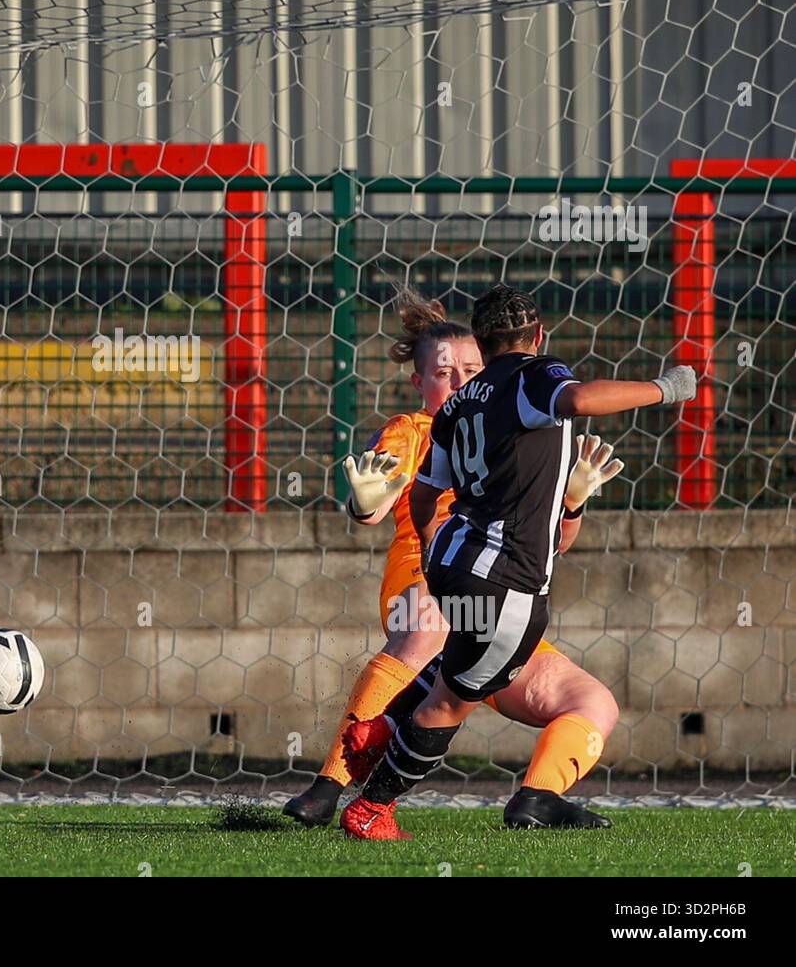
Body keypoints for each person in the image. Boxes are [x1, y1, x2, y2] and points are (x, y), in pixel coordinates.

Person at [340, 283, 695, 840]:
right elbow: (577, 400)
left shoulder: (456, 407)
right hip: (506, 579)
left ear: (480, 345)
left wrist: (438, 552)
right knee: (453, 703)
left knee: (459, 667)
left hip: (455, 564)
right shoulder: (532, 377)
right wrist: (664, 388)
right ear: (538, 337)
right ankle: (371, 807)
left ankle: (378, 732)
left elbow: (424, 496)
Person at [284, 288, 622, 830]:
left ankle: (536, 799)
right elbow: (377, 500)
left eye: (471, 368)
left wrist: (572, 502)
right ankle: (330, 787)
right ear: (419, 381)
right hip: (430, 583)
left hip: (498, 600)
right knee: (426, 625)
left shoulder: (519, 437)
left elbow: (553, 546)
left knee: (593, 702)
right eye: (444, 372)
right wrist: (365, 501)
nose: (459, 381)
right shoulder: (414, 429)